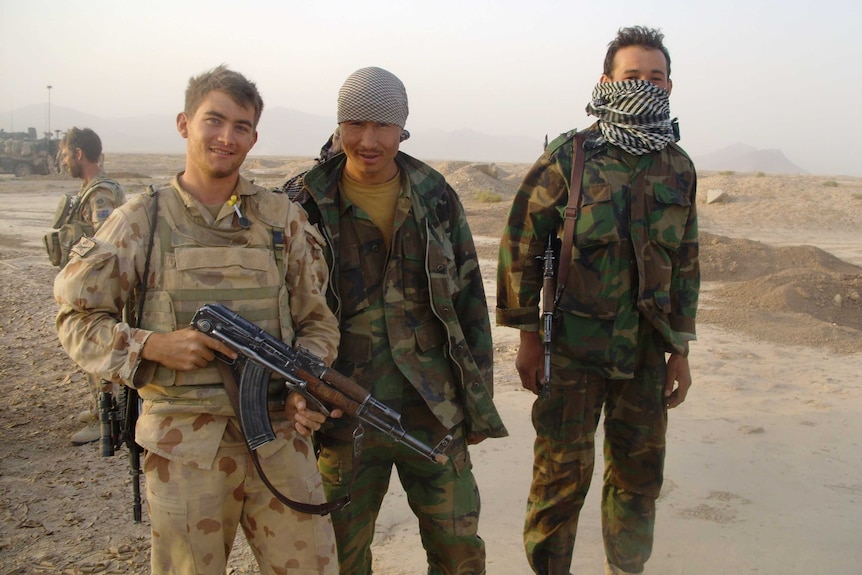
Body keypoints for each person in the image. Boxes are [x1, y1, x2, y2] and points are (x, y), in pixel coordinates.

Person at [54, 65, 340, 575]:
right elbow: (77, 320)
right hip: (185, 451)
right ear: (185, 123)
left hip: (279, 439)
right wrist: (149, 347)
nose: (227, 138)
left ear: (254, 136)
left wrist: (306, 383)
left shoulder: (282, 218)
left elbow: (317, 321)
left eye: (242, 127)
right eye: (215, 120)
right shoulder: (142, 219)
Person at [496, 26, 699, 575]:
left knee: (638, 481)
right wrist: (528, 340)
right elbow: (521, 244)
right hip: (572, 352)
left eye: (655, 77)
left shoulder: (677, 166)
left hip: (644, 358)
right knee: (560, 479)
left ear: (671, 85)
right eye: (632, 76)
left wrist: (679, 349)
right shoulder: (571, 156)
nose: (644, 85)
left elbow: (685, 263)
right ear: (606, 81)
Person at [292, 66, 508, 575]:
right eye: (356, 123)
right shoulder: (302, 203)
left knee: (458, 553)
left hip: (432, 408)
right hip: (340, 412)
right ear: (339, 123)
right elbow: (284, 313)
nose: (369, 140)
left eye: (383, 126)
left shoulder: (435, 196)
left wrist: (477, 402)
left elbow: (471, 302)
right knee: (337, 556)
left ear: (403, 127)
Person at [52, 127, 126, 445]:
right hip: (87, 286)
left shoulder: (101, 194)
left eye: (67, 155)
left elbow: (105, 243)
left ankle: (105, 417)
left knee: (100, 348)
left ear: (80, 154)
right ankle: (98, 407)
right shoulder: (89, 190)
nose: (65, 161)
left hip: (98, 289)